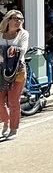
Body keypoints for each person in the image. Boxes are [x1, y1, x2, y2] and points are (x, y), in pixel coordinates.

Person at [0, 10, 28, 140]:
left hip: (17, 70)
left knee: (13, 101)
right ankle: (6, 120)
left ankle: (13, 129)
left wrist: (3, 51)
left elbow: (22, 50)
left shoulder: (23, 34)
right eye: (16, 18)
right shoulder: (0, 34)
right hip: (1, 70)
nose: (19, 21)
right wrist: (8, 51)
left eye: (20, 19)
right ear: (8, 20)